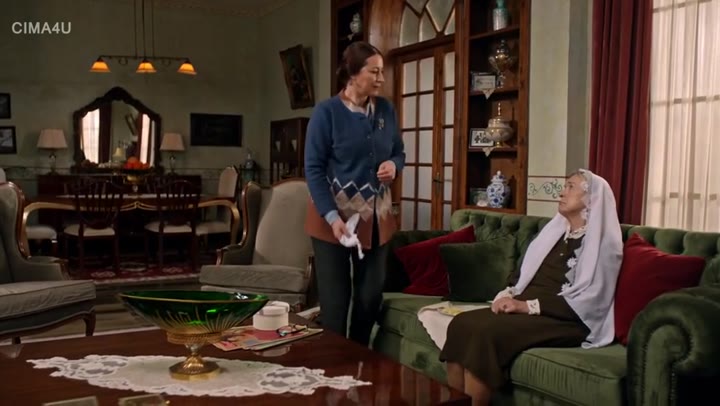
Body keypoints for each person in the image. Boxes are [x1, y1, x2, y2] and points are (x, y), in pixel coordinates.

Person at [440, 169, 623, 405]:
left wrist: (526, 306)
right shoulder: (555, 234)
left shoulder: (603, 245)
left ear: (591, 198)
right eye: (564, 186)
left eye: (570, 187)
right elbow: (522, 276)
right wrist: (508, 294)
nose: (561, 193)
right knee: (461, 324)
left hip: (566, 319)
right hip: (528, 309)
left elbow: (592, 302)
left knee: (484, 333)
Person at [304, 41, 405, 346]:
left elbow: (399, 152)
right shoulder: (327, 113)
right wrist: (332, 217)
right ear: (352, 74)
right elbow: (313, 170)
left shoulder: (385, 109)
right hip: (332, 220)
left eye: (382, 71)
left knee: (369, 299)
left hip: (376, 221)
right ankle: (333, 365)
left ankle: (359, 361)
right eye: (374, 72)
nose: (381, 78)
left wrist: (394, 165)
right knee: (336, 305)